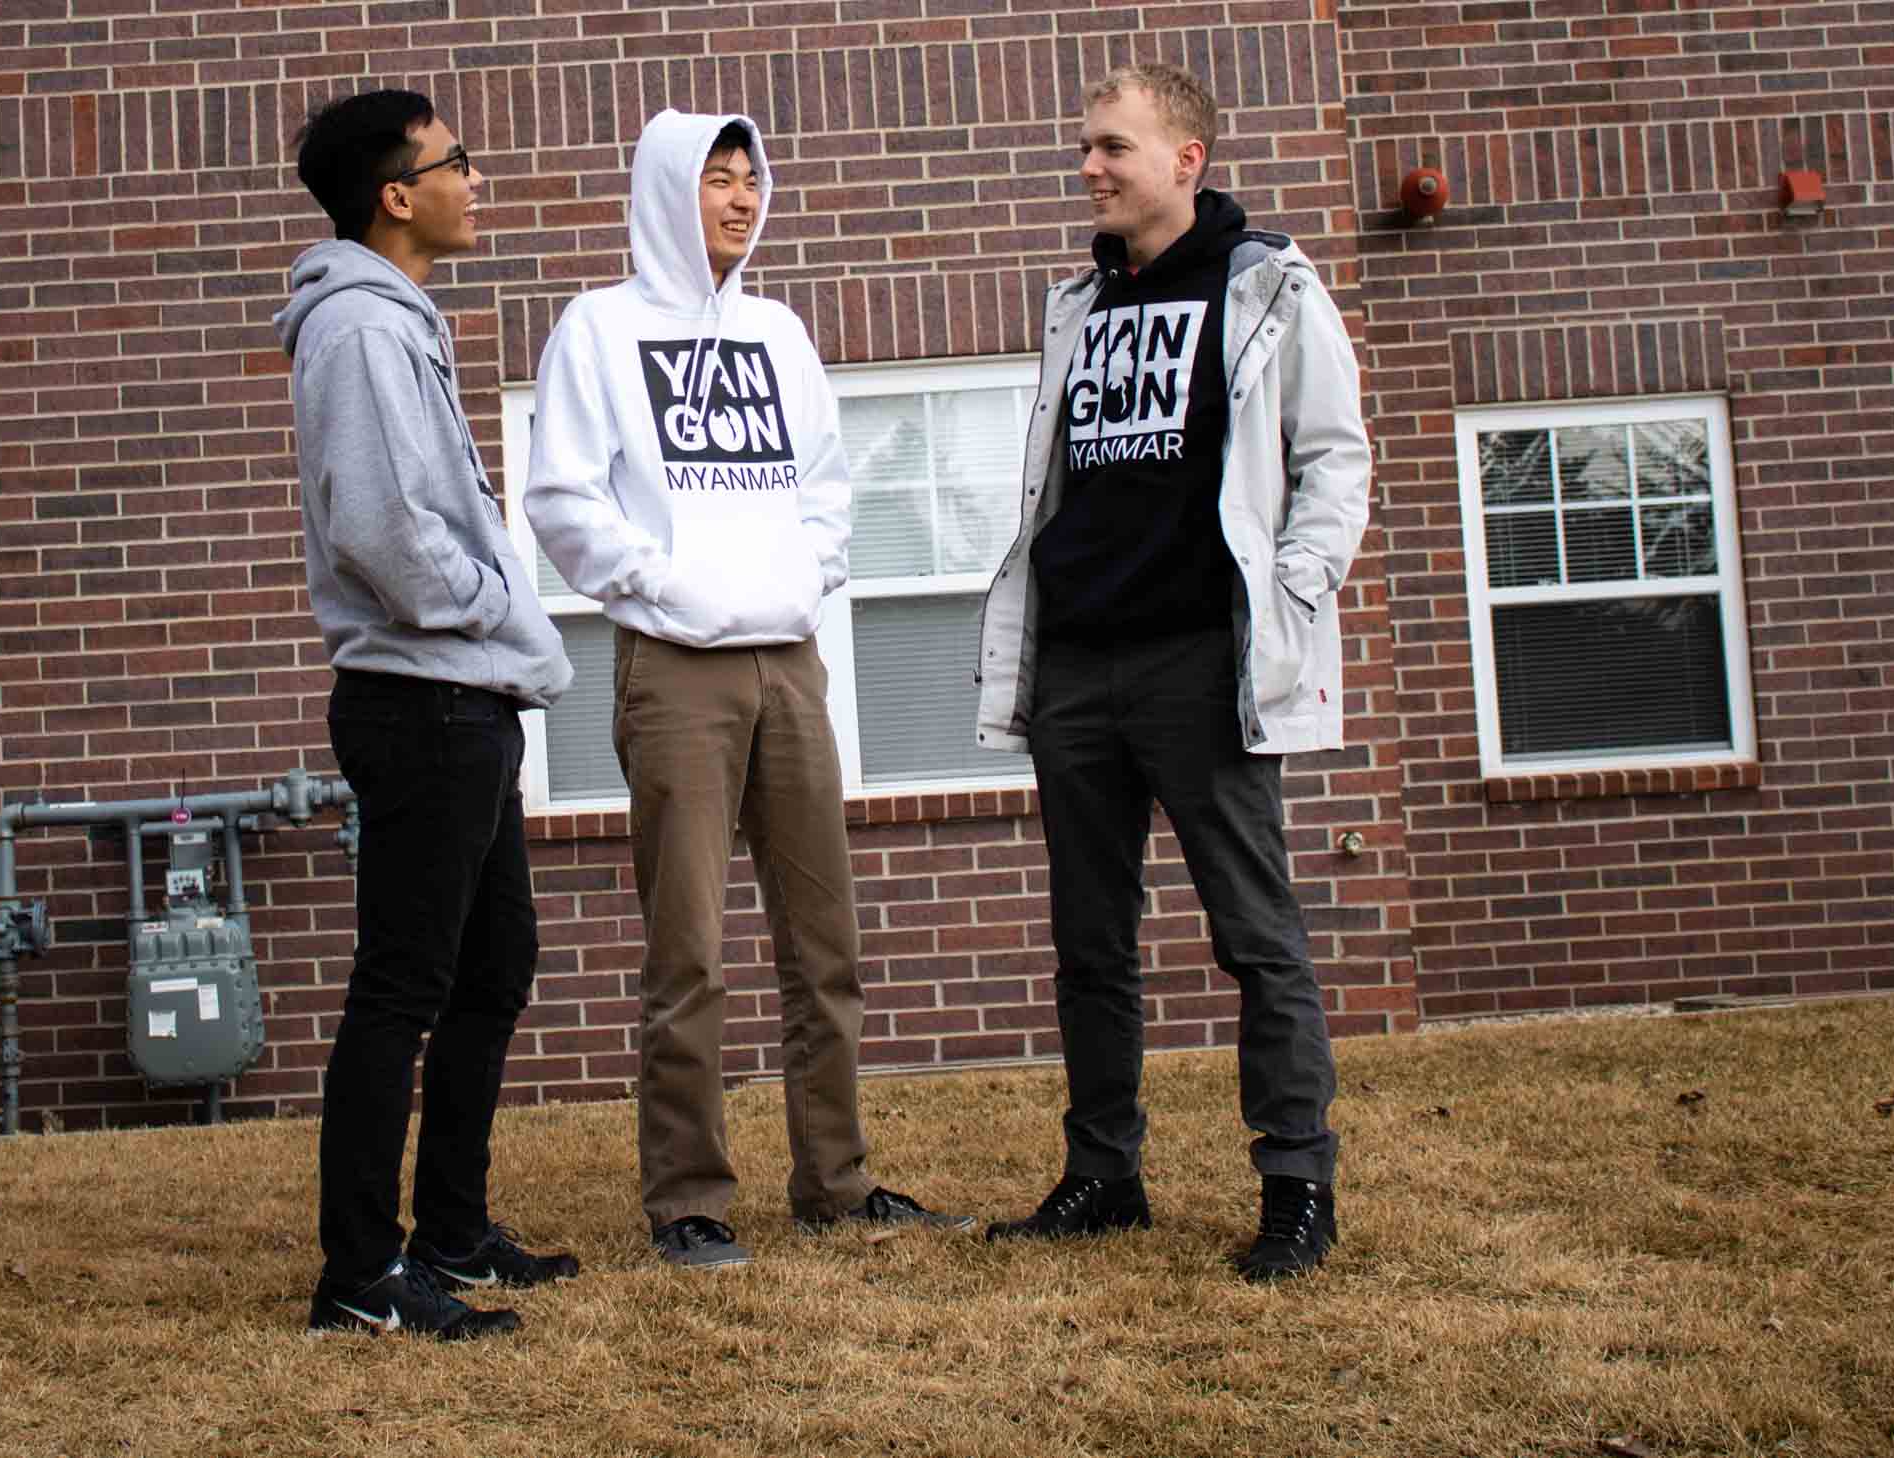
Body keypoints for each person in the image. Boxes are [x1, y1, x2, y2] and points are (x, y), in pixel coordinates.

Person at [523, 109, 967, 1269]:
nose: (737, 198)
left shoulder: (777, 330)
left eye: (749, 179)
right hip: (675, 668)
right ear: (669, 189)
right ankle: (689, 1199)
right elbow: (564, 499)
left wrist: (798, 581)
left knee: (825, 939)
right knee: (692, 948)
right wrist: (668, 588)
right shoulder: (600, 329)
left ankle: (837, 1178)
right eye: (714, 179)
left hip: (790, 660)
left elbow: (827, 486)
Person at [972, 64, 1372, 1281]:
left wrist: (1293, 593)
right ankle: (1104, 1175)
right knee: (1090, 942)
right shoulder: (1076, 306)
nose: (1088, 167)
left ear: (1185, 158)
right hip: (1080, 669)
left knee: (1257, 937)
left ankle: (1297, 1185)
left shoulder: (1271, 289)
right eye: (1085, 146)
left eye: (1111, 147)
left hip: (1203, 663)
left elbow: (1335, 460)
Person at [274, 88, 578, 1339]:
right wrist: (489, 600)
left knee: (491, 967)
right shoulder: (358, 329)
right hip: (423, 699)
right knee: (402, 987)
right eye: (459, 162)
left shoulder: (397, 320)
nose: (476, 180)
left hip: (464, 696)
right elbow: (385, 533)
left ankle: (450, 1233)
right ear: (396, 195)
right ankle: (360, 1273)